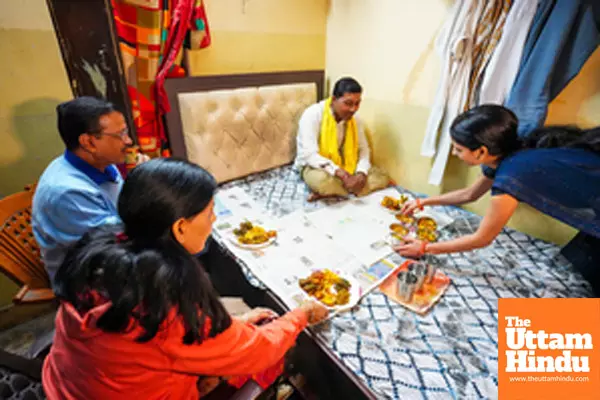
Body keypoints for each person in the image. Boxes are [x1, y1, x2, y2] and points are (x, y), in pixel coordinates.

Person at [42, 158, 329, 399]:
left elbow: (159, 344)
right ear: (180, 228)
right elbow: (257, 350)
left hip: (70, 384)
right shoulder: (168, 297)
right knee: (277, 352)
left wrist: (232, 326)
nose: (214, 220)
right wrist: (300, 315)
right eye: (209, 213)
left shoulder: (100, 249)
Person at [395, 105, 600, 294]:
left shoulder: (512, 174)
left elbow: (482, 238)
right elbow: (470, 194)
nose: (455, 153)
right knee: (580, 264)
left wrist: (424, 248)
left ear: (481, 151)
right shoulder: (505, 153)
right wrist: (422, 202)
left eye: (458, 149)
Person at [32, 97, 136, 284]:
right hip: (88, 279)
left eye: (126, 132)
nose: (128, 141)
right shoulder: (67, 192)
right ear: (89, 142)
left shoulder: (102, 164)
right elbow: (116, 242)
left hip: (118, 250)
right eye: (120, 134)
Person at [295, 77, 390, 201]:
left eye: (357, 103)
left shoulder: (355, 119)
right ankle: (347, 189)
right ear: (334, 99)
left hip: (344, 163)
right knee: (322, 182)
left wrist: (361, 174)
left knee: (383, 176)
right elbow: (309, 155)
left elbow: (363, 150)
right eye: (348, 103)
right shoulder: (312, 115)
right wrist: (341, 174)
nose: (353, 109)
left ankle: (334, 192)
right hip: (313, 165)